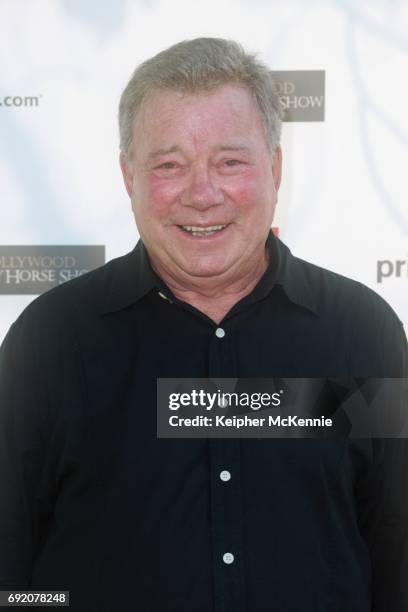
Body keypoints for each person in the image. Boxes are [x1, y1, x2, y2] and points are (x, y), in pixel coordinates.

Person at [0, 37, 407, 612]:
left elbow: (395, 555)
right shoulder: (49, 341)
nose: (202, 194)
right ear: (128, 177)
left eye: (230, 162)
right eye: (169, 165)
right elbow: (12, 574)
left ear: (276, 168)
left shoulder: (363, 331)